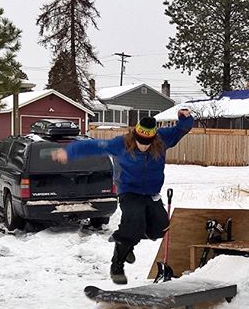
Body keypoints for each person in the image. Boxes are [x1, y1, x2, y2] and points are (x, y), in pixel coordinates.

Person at [52, 109, 194, 284]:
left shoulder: (162, 138)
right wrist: (69, 152)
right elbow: (95, 145)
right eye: (140, 142)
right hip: (129, 190)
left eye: (147, 143)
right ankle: (117, 264)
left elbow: (182, 129)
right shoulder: (121, 144)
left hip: (151, 192)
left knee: (160, 228)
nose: (143, 146)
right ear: (135, 136)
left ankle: (127, 241)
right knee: (134, 221)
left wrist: (184, 117)